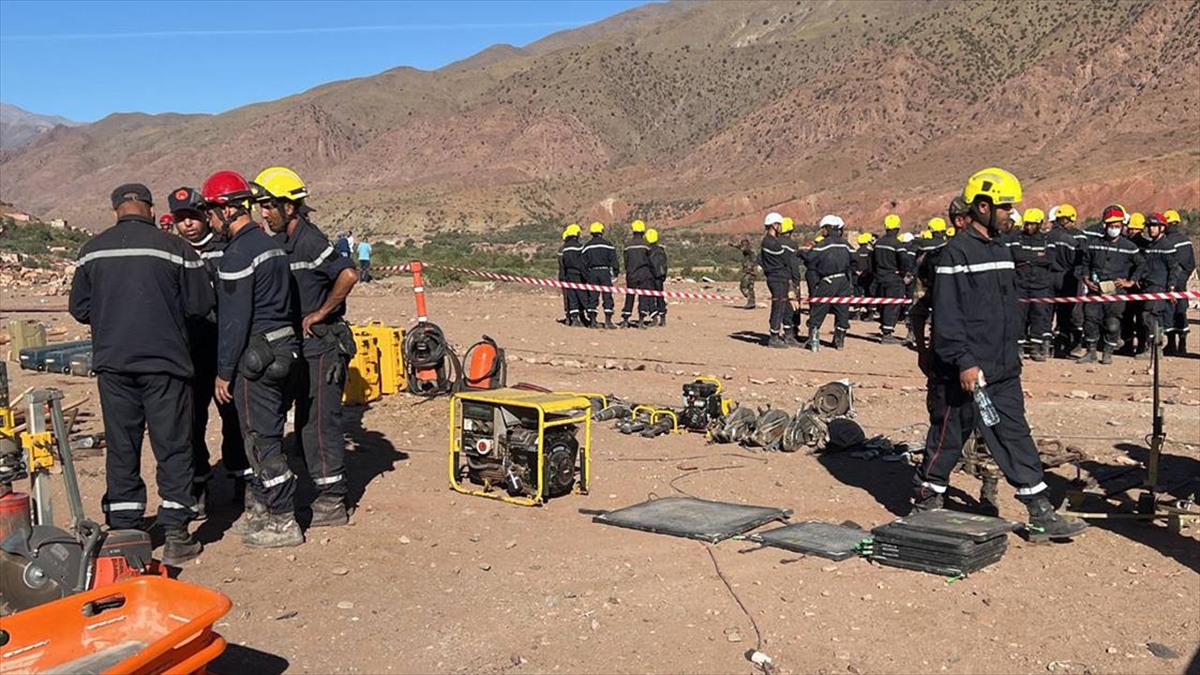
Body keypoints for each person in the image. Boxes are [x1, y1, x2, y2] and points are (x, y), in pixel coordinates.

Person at [912, 167, 1086, 542]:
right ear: (983, 206)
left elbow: (1004, 308)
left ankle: (1040, 512)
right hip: (964, 369)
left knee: (1015, 435)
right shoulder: (955, 253)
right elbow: (948, 314)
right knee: (948, 434)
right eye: (1006, 208)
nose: (1012, 215)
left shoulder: (1002, 249)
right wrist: (964, 361)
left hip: (1002, 367)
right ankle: (927, 499)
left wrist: (1011, 356)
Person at [68, 183, 215, 565]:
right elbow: (200, 303)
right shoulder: (176, 249)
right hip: (165, 364)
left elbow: (80, 309)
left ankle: (125, 528)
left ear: (115, 209)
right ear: (150, 210)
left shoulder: (91, 251)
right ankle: (177, 531)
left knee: (122, 444)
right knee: (173, 444)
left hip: (114, 365)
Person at [201, 170, 303, 548]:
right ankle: (266, 510)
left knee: (262, 441)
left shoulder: (238, 255)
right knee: (269, 433)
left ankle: (283, 520)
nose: (209, 221)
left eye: (211, 213)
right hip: (283, 352)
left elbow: (233, 321)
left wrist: (224, 372)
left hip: (256, 360)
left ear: (227, 210)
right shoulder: (271, 245)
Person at [254, 166, 360, 527]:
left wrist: (321, 312)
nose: (263, 213)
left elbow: (348, 273)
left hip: (321, 347)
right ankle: (306, 482)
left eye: (269, 206)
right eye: (260, 206)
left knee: (319, 422)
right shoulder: (281, 241)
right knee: (300, 421)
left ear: (291, 207)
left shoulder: (310, 241)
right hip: (297, 347)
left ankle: (332, 498)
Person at [169, 186, 249, 518]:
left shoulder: (225, 250)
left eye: (192, 216)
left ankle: (241, 481)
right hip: (188, 353)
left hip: (223, 350)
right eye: (180, 219)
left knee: (233, 419)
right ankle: (198, 485)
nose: (187, 224)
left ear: (205, 215)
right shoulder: (172, 253)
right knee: (191, 422)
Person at [1078, 205, 1142, 365]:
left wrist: (1130, 281)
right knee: (1090, 321)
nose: (1114, 229)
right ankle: (1091, 352)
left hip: (1116, 291)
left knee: (1112, 323)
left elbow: (1142, 265)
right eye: (1111, 226)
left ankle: (1108, 352)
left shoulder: (1130, 247)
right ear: (1105, 225)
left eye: (1117, 226)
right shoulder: (1094, 244)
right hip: (1096, 289)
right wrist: (1086, 278)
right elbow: (1085, 263)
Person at [1133, 213, 1179, 358]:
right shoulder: (1150, 245)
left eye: (1154, 226)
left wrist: (1171, 287)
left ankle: (1155, 348)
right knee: (1152, 318)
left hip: (1158, 287)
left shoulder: (1166, 246)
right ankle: (1154, 347)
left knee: (1150, 316)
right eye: (1149, 226)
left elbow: (1174, 269)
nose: (1151, 229)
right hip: (1148, 286)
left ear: (1162, 228)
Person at [804, 215, 853, 351]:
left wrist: (800, 254)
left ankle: (813, 340)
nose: (822, 231)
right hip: (844, 281)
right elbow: (856, 260)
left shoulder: (823, 245)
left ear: (828, 228)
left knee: (819, 307)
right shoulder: (845, 244)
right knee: (842, 310)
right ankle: (839, 340)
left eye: (823, 229)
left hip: (828, 280)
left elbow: (810, 258)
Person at [1012, 207, 1054, 361]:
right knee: (1019, 316)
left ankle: (1036, 348)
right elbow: (1016, 255)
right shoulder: (1018, 238)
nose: (1028, 227)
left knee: (1039, 316)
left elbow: (1049, 258)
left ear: (1040, 224)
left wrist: (1028, 258)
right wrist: (1036, 256)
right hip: (1021, 284)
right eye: (1027, 224)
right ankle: (1018, 347)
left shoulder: (1046, 240)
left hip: (1040, 285)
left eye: (1032, 224)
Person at [1045, 203, 1086, 358]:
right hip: (1068, 277)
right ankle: (1065, 346)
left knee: (1047, 312)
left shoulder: (1047, 236)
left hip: (1050, 277)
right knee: (1068, 313)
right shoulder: (1077, 237)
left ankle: (1048, 346)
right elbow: (1080, 260)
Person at [872, 214, 909, 343]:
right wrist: (903, 272)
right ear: (897, 228)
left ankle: (884, 328)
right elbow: (905, 261)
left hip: (880, 278)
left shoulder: (878, 243)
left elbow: (872, 261)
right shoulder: (897, 244)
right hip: (894, 278)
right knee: (892, 305)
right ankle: (887, 333)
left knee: (883, 304)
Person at [1162, 209, 1195, 355]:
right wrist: (1184, 278)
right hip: (1182, 282)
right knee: (1181, 312)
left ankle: (1171, 345)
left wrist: (1171, 283)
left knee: (1169, 312)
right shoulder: (1186, 240)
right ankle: (1182, 345)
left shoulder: (1166, 242)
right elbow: (1191, 264)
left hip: (1171, 282)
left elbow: (1168, 265)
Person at [759, 212, 791, 348]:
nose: (781, 228)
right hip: (777, 278)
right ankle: (773, 337)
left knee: (780, 306)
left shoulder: (770, 241)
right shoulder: (771, 242)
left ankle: (775, 334)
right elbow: (786, 258)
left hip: (777, 277)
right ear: (774, 225)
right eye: (779, 224)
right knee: (778, 307)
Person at [582, 221, 619, 329]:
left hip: (592, 273)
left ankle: (593, 322)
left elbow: (583, 264)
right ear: (602, 232)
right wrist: (615, 273)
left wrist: (587, 276)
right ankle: (608, 321)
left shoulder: (587, 246)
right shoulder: (608, 245)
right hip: (605, 272)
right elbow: (614, 261)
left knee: (593, 297)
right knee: (607, 296)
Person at [620, 220, 654, 328]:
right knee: (643, 296)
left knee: (630, 296)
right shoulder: (647, 246)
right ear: (643, 231)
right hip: (644, 274)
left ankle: (625, 319)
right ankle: (641, 321)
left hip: (631, 274)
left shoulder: (627, 246)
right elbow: (651, 261)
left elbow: (626, 261)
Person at [778, 217, 802, 345]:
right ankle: (791, 333)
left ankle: (785, 332)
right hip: (790, 279)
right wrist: (796, 282)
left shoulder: (774, 243)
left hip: (778, 279)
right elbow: (794, 265)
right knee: (792, 306)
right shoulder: (792, 245)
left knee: (782, 305)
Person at [559, 224, 587, 327]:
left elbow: (562, 265)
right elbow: (584, 262)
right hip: (578, 275)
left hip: (567, 276)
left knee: (571, 297)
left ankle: (573, 318)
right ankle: (583, 317)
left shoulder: (564, 249)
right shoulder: (580, 247)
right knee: (581, 296)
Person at [646, 228, 668, 326]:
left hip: (650, 277)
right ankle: (663, 318)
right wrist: (664, 276)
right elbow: (664, 264)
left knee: (650, 298)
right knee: (660, 297)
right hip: (659, 277)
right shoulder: (661, 250)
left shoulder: (647, 250)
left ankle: (654, 317)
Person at [852, 233, 876, 322]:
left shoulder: (856, 252)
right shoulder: (871, 253)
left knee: (857, 294)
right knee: (869, 293)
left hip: (857, 278)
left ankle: (857, 313)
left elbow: (851, 265)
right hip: (868, 277)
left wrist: (857, 272)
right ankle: (870, 313)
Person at [729, 237, 757, 308]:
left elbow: (742, 248)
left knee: (743, 287)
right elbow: (741, 248)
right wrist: (734, 245)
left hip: (749, 272)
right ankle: (751, 302)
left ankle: (751, 300)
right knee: (750, 288)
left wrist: (734, 245)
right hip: (752, 271)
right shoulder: (750, 250)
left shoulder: (749, 250)